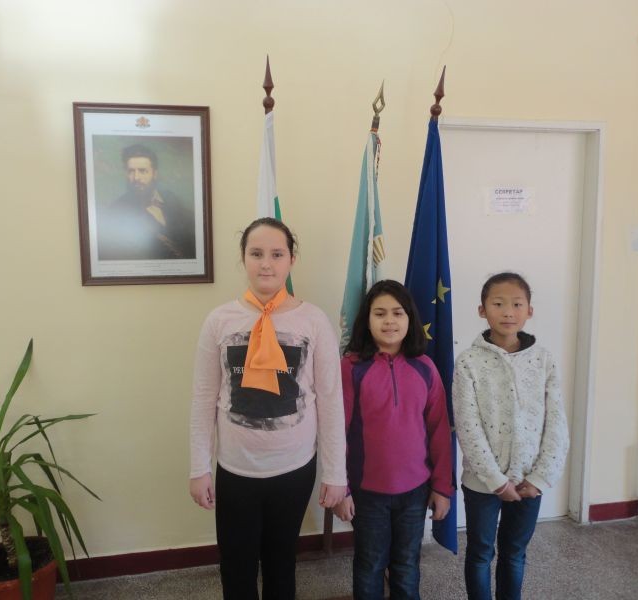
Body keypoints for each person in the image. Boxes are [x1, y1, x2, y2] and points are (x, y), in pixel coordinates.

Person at [189, 217, 346, 600]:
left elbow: (330, 400)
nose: (266, 264)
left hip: (294, 469)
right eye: (256, 253)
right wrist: (198, 467)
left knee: (281, 565)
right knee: (236, 567)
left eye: (277, 254)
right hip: (235, 469)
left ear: (291, 259)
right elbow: (203, 398)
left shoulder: (313, 321)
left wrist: (335, 472)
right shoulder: (219, 321)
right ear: (243, 258)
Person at [333, 279, 454, 600]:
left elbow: (440, 430)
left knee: (406, 564)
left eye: (398, 313)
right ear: (367, 320)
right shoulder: (350, 368)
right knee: (370, 564)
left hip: (415, 492)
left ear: (410, 319)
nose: (389, 321)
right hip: (367, 492)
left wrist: (442, 487)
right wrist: (341, 488)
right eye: (380, 313)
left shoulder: (425, 368)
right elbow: (337, 432)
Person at [452, 272, 570, 600]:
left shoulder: (543, 360)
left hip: (529, 482)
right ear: (482, 310)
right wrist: (496, 481)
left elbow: (557, 422)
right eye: (498, 304)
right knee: (480, 552)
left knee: (514, 553)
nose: (508, 312)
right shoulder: (468, 362)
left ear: (529, 311)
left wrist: (541, 477)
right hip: (482, 482)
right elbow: (468, 426)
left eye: (517, 304)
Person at [97, 143, 196, 260]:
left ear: (154, 174)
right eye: (131, 171)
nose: (136, 178)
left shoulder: (171, 199)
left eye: (142, 171)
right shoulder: (117, 210)